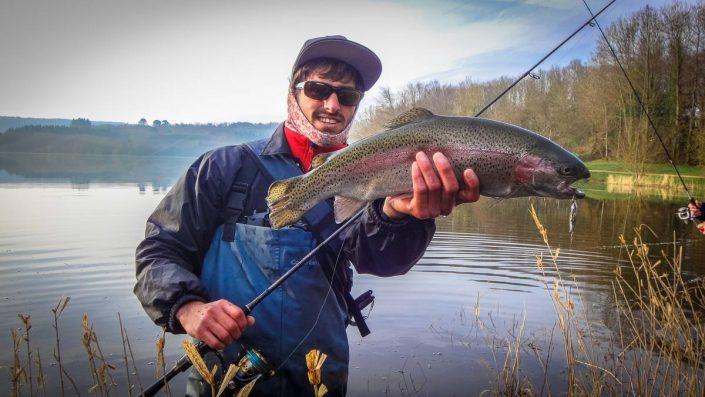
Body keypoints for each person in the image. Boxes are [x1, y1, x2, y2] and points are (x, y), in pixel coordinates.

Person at [134, 35, 480, 396]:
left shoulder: (381, 174)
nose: (333, 104)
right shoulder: (223, 167)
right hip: (223, 379)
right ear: (292, 94)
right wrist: (188, 308)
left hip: (321, 380)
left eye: (347, 96)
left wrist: (402, 216)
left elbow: (380, 259)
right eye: (318, 89)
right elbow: (158, 251)